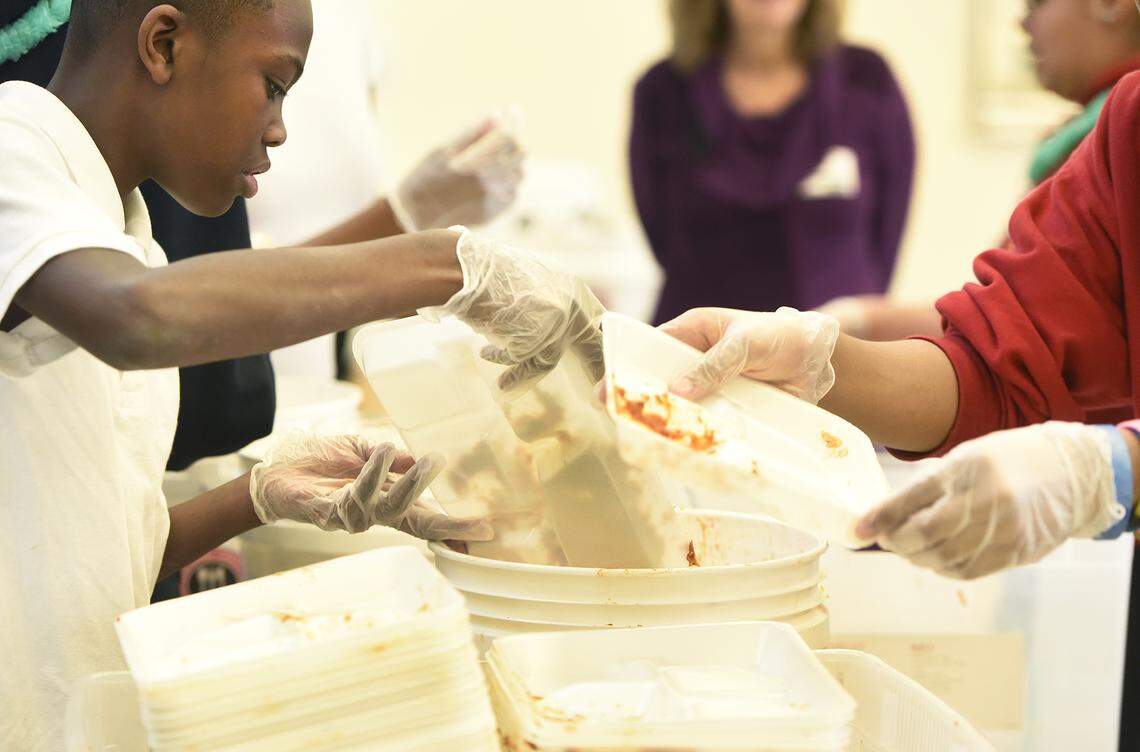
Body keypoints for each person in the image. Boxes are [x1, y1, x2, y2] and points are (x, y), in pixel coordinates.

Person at [0, 1, 601, 747]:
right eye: (275, 84)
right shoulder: (13, 146)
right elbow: (134, 319)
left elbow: (99, 548)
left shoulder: (124, 233)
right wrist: (443, 262)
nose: (278, 128)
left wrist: (259, 495)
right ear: (163, 44)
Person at [819, 0, 1140, 340]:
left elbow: (1021, 332)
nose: (1023, 24)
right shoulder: (1084, 140)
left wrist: (863, 324)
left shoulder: (1118, 144)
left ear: (1111, 4)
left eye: (1037, 4)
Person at [629, 0, 914, 326]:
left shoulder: (866, 80)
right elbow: (660, 232)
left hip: (836, 357)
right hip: (696, 354)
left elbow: (887, 234)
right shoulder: (662, 92)